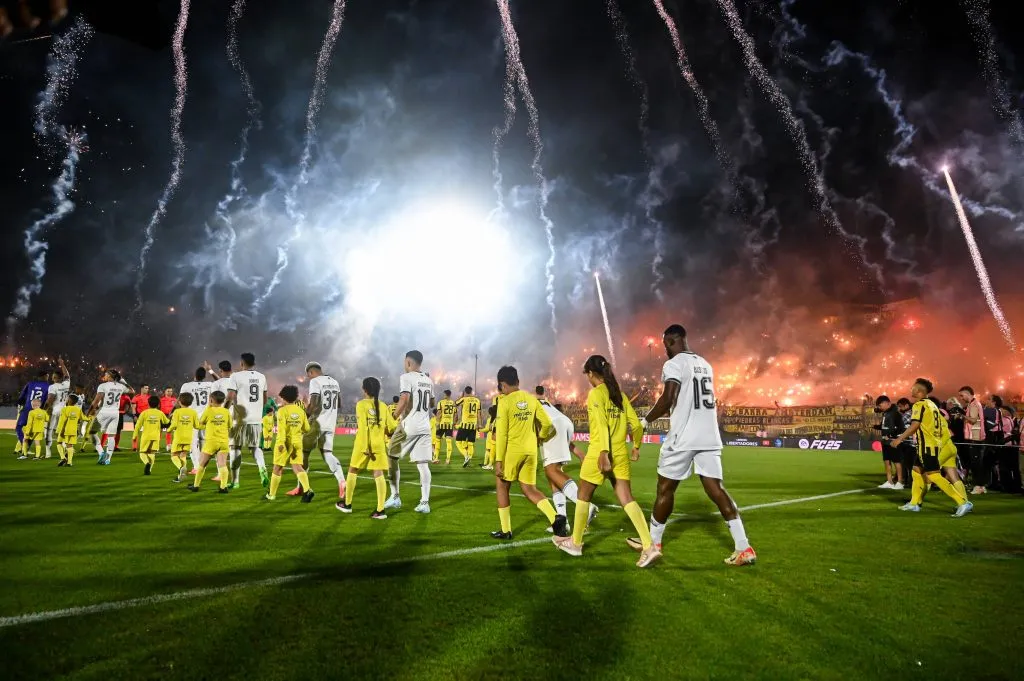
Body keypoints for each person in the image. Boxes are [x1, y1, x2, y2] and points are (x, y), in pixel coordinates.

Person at [627, 325, 756, 567]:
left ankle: (653, 543)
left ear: (671, 341)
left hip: (684, 436)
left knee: (665, 488)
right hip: (709, 436)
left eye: (666, 344)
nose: (665, 350)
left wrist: (644, 421)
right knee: (716, 489)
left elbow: (668, 398)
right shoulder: (705, 364)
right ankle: (743, 547)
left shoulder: (674, 364)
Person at [553, 356, 653, 566]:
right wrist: (636, 447)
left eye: (587, 375)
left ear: (590, 374)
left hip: (601, 452)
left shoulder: (596, 394)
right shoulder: (620, 396)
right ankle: (649, 546)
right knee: (626, 497)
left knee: (583, 495)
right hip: (621, 453)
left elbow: (601, 424)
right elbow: (636, 425)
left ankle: (576, 544)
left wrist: (603, 453)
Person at [491, 365, 566, 540]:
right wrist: (540, 436)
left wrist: (499, 460)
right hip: (530, 451)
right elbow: (547, 424)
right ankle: (555, 518)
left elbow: (501, 434)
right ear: (517, 381)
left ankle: (506, 530)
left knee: (502, 486)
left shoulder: (504, 402)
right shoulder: (532, 399)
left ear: (502, 385)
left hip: (512, 451)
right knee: (529, 488)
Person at [890, 379, 970, 515]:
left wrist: (899, 439)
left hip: (927, 446)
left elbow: (915, 425)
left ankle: (962, 502)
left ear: (919, 391)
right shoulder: (931, 404)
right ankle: (914, 503)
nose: (911, 391)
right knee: (916, 472)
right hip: (934, 444)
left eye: (913, 389)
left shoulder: (918, 405)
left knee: (933, 475)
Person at [536, 386, 594, 534]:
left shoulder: (523, 405)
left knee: (551, 470)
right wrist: (579, 453)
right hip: (564, 422)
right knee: (553, 477)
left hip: (552, 426)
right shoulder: (544, 402)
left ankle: (586, 507)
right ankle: (563, 522)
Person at [337, 377, 396, 518]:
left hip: (364, 444)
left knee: (353, 470)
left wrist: (366, 447)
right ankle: (380, 510)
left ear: (364, 389)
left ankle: (347, 504)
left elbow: (363, 427)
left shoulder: (361, 405)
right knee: (378, 474)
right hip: (379, 444)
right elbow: (392, 427)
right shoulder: (383, 406)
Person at [384, 351, 435, 513]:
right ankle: (424, 503)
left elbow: (404, 399)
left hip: (409, 426)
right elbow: (432, 402)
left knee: (391, 455)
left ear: (408, 362)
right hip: (425, 427)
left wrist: (393, 417)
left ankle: (395, 496)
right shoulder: (428, 380)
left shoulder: (406, 378)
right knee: (423, 464)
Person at [292, 361, 346, 499]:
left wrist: (305, 417)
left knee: (303, 453)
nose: (309, 378)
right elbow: (339, 403)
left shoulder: (315, 381)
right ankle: (341, 481)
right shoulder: (335, 382)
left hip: (317, 422)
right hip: (330, 423)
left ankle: (301, 488)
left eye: (308, 375)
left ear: (311, 372)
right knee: (327, 453)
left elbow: (314, 404)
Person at [265, 385, 314, 503]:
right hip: (297, 442)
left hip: (285, 442)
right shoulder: (301, 411)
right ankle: (308, 490)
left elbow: (281, 429)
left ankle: (271, 495)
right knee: (297, 467)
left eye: (282, 398)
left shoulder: (282, 411)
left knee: (277, 468)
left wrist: (281, 443)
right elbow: (307, 429)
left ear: (284, 398)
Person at [229, 353, 269, 489]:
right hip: (256, 419)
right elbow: (264, 400)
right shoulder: (262, 377)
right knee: (255, 448)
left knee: (235, 448)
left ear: (241, 363)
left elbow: (230, 396)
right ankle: (262, 468)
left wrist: (225, 409)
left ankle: (235, 481)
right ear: (254, 363)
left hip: (240, 419)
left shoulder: (235, 376)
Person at [188, 390, 232, 494]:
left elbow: (201, 421)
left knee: (202, 464)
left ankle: (196, 486)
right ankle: (223, 487)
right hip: (224, 442)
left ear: (211, 400)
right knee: (222, 465)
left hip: (211, 442)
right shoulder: (226, 411)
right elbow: (230, 425)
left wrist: (209, 406)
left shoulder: (209, 411)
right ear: (222, 401)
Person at [88, 369, 134, 465]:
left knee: (92, 432)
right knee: (111, 436)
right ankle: (108, 459)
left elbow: (96, 401)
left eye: (106, 374)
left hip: (104, 411)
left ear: (110, 376)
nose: (104, 376)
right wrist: (123, 381)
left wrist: (89, 412)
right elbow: (132, 391)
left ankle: (101, 453)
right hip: (115, 413)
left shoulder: (103, 386)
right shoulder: (121, 386)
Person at [205, 360, 239, 485]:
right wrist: (211, 371)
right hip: (235, 416)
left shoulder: (217, 384)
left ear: (221, 370)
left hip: (220, 417)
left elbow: (212, 400)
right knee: (233, 447)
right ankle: (235, 476)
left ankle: (221, 474)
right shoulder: (236, 381)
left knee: (219, 447)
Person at [179, 367, 213, 472]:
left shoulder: (187, 386)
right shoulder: (210, 385)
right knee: (204, 441)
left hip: (192, 417)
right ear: (204, 376)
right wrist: (211, 370)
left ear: (195, 374)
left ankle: (197, 466)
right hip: (206, 416)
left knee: (193, 443)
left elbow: (181, 400)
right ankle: (203, 464)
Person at [13, 369, 49, 456]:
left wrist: (19, 403)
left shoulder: (30, 384)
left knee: (19, 427)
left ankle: (23, 445)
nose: (48, 377)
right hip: (38, 411)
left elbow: (22, 395)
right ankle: (26, 447)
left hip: (27, 409)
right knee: (34, 430)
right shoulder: (48, 386)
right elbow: (48, 399)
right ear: (44, 376)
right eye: (47, 376)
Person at [959, 386, 987, 494]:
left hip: (976, 438)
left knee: (976, 464)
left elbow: (974, 420)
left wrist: (962, 416)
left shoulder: (974, 404)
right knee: (976, 463)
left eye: (961, 395)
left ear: (967, 393)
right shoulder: (972, 404)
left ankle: (978, 486)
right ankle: (980, 486)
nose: (961, 398)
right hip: (975, 438)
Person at [874, 395, 905, 489]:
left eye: (880, 405)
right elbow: (886, 426)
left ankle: (899, 482)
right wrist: (876, 427)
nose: (880, 408)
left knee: (897, 461)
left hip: (894, 441)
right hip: (885, 441)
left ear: (886, 403)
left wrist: (890, 436)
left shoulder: (896, 413)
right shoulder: (886, 413)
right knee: (886, 461)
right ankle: (889, 481)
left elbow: (901, 428)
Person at [43, 357, 70, 459]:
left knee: (49, 430)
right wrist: (62, 364)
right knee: (62, 431)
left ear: (57, 378)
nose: (52, 379)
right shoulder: (66, 384)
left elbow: (50, 400)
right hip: (64, 410)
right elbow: (67, 375)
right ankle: (64, 448)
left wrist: (43, 410)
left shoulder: (53, 387)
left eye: (54, 377)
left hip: (55, 410)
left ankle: (48, 452)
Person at [168, 392, 198, 482]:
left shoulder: (177, 412)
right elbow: (197, 425)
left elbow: (174, 425)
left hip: (179, 437)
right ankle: (180, 475)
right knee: (183, 455)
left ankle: (181, 467)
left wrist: (169, 430)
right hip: (188, 437)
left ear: (179, 402)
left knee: (174, 455)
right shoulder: (193, 412)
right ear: (191, 402)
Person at [136, 395, 170, 476]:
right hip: (156, 436)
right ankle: (149, 469)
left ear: (148, 403)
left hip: (146, 436)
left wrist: (135, 435)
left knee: (142, 453)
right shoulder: (160, 413)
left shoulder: (144, 413)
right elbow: (167, 423)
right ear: (158, 404)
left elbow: (138, 425)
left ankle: (147, 463)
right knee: (152, 453)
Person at [455, 386, 481, 467]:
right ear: (471, 391)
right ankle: (469, 458)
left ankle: (466, 456)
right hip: (473, 425)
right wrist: (479, 424)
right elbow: (479, 413)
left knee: (458, 442)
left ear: (465, 392)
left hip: (464, 425)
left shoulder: (464, 399)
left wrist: (462, 396)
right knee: (470, 443)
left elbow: (454, 404)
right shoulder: (477, 400)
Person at [55, 394, 83, 467]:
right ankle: (69, 462)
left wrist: (61, 431)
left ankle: (63, 458)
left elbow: (64, 421)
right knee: (69, 445)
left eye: (67, 399)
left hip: (64, 429)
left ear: (70, 400)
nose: (66, 400)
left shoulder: (64, 409)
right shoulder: (78, 409)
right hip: (73, 430)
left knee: (59, 443)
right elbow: (82, 418)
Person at [435, 389, 456, 463]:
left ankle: (436, 458)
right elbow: (455, 415)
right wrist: (454, 422)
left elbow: (439, 413)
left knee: (437, 440)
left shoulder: (441, 402)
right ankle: (448, 459)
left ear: (445, 394)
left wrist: (437, 422)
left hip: (441, 423)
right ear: (450, 395)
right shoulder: (453, 403)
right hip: (449, 424)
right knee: (448, 442)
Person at [158, 387, 176, 451]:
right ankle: (157, 445)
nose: (170, 392)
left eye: (171, 391)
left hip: (171, 416)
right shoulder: (161, 400)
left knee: (169, 431)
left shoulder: (174, 400)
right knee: (159, 430)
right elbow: (158, 408)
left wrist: (172, 414)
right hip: (163, 416)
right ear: (165, 392)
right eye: (168, 391)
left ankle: (168, 445)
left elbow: (176, 409)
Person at [481, 402, 497, 470]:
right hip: (497, 436)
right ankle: (488, 464)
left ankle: (488, 464)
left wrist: (479, 430)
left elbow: (487, 429)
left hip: (491, 436)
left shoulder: (490, 419)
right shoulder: (499, 418)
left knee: (489, 450)